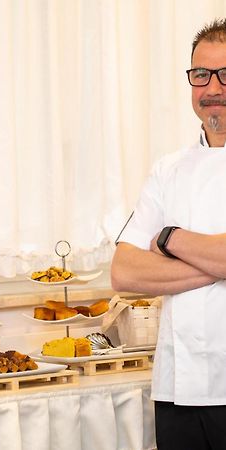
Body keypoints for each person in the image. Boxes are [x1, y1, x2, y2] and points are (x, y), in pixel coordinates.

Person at [111, 19, 226, 450]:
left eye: (225, 74)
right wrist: (215, 262)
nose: (212, 87)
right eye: (201, 75)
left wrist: (171, 239)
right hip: (177, 387)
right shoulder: (168, 169)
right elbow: (124, 272)